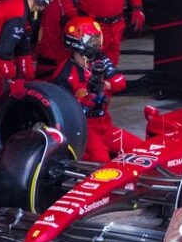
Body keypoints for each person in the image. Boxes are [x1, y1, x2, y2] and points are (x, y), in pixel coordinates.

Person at [0, 0, 65, 181]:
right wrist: (14, 79)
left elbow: (23, 50)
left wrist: (28, 79)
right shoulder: (17, 13)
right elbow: (3, 55)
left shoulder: (25, 11)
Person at [53, 17, 129, 162]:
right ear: (76, 42)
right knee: (102, 163)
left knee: (141, 150)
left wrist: (106, 85)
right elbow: (62, 114)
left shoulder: (100, 59)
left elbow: (121, 81)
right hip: (85, 131)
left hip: (106, 127)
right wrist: (85, 101)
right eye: (92, 40)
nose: (96, 43)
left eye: (97, 39)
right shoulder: (64, 74)